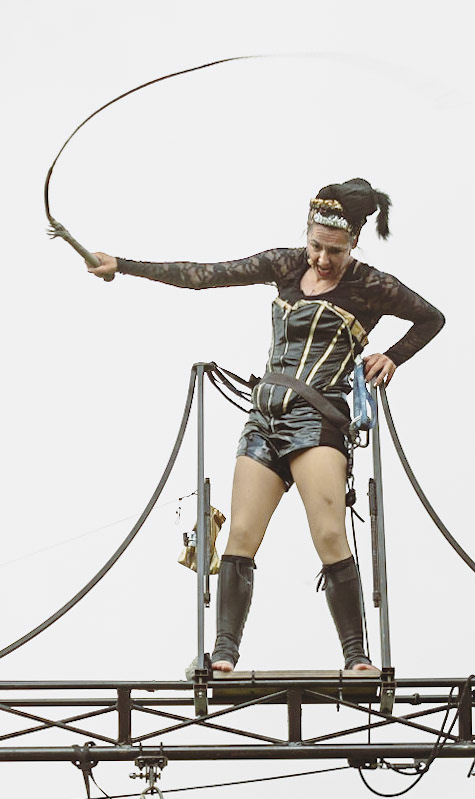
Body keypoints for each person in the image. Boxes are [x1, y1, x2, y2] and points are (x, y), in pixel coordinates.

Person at [87, 178, 445, 673]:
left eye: (335, 251)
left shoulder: (371, 286)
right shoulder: (285, 265)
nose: (322, 259)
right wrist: (123, 266)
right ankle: (225, 654)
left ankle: (356, 656)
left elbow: (431, 318)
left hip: (317, 419)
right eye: (316, 246)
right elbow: (204, 275)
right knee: (240, 535)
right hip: (263, 419)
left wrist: (393, 356)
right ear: (307, 235)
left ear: (354, 243)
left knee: (329, 535)